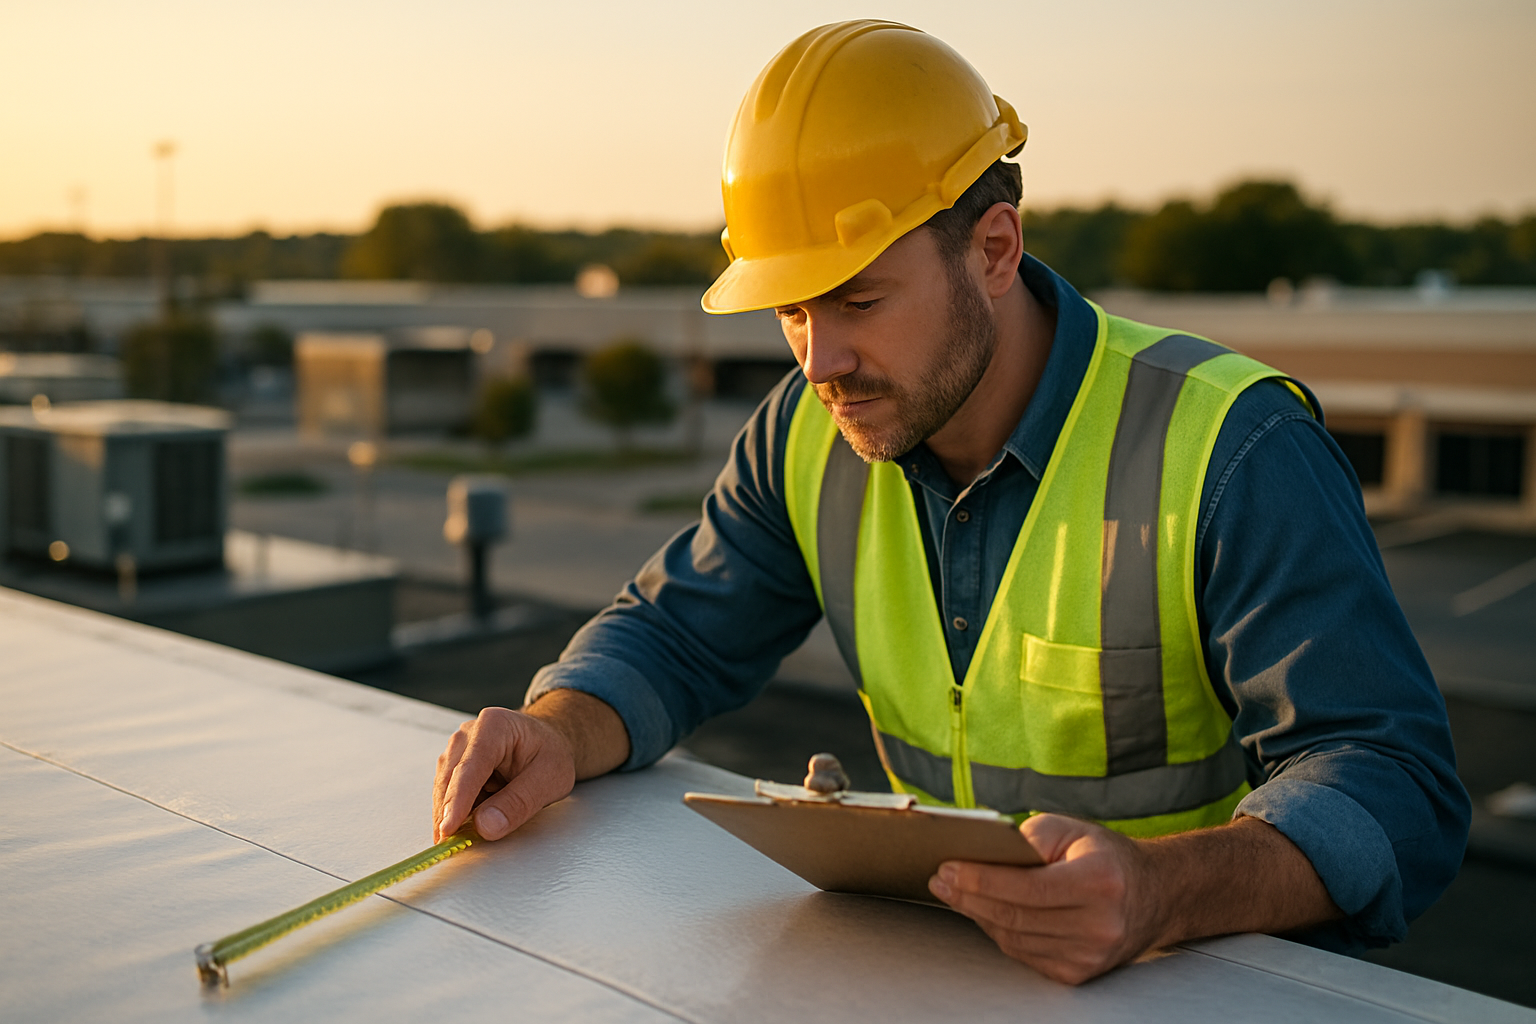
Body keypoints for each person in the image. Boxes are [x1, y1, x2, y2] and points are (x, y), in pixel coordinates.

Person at [434, 20, 1469, 984]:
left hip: (1198, 984)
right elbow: (673, 638)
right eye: (793, 307)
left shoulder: (1231, 448)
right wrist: (559, 730)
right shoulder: (804, 431)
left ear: (995, 249)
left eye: (860, 299)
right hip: (948, 978)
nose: (820, 359)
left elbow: (1393, 782)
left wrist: (1164, 891)